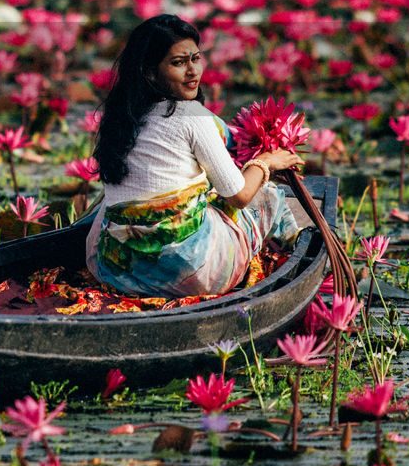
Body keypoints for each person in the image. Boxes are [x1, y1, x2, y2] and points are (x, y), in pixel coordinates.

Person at [86, 15, 302, 298]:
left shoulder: (117, 119)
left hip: (119, 271)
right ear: (150, 72)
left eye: (196, 59)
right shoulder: (191, 115)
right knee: (269, 195)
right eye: (178, 63)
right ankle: (295, 250)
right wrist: (266, 163)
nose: (193, 72)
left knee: (110, 207)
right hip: (193, 272)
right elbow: (238, 197)